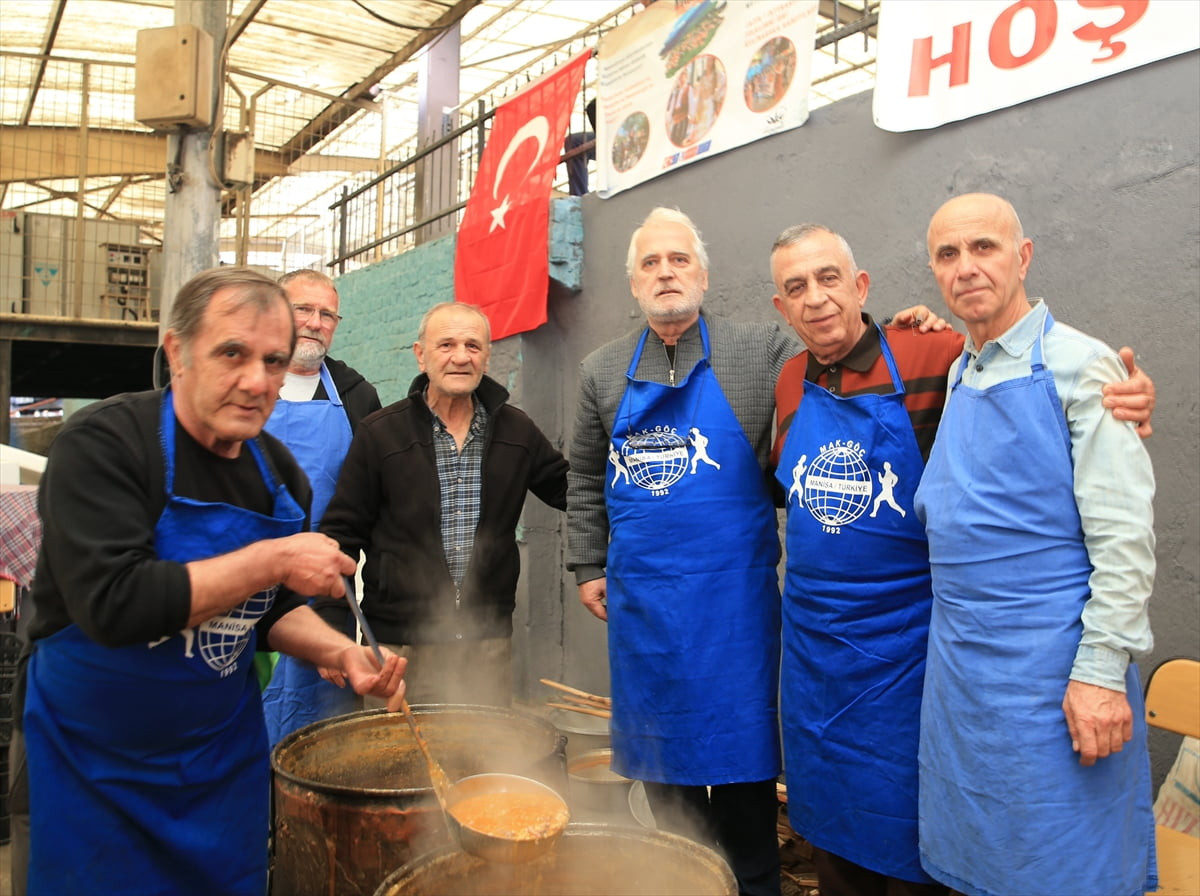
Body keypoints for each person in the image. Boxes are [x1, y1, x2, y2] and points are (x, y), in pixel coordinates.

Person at [768, 222, 1157, 896]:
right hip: (823, 660)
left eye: (830, 279)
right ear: (780, 307)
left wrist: (1124, 395)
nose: (816, 299)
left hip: (906, 658)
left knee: (936, 851)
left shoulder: (935, 353)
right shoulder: (796, 381)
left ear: (860, 286)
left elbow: (1113, 514)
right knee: (843, 844)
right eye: (795, 287)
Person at [566, 207, 943, 896]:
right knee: (664, 783)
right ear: (632, 283)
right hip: (643, 606)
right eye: (651, 263)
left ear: (703, 275)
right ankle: (677, 881)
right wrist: (587, 564)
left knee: (742, 780)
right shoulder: (598, 371)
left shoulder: (761, 351)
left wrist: (908, 324)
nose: (666, 273)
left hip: (736, 603)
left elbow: (836, 342)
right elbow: (584, 475)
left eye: (679, 259)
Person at [15, 267, 406, 896]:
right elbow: (115, 604)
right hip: (98, 760)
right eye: (232, 353)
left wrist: (343, 652)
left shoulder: (279, 475)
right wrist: (274, 559)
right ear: (176, 350)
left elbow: (269, 610)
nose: (257, 381)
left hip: (217, 761)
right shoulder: (106, 444)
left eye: (274, 361)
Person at [914, 193, 1157, 896]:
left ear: (1023, 257)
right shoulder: (962, 368)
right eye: (948, 255)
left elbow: (1123, 538)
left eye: (984, 248)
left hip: (1055, 677)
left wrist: (1101, 674)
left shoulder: (1085, 366)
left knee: (1066, 867)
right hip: (964, 680)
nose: (966, 268)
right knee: (981, 863)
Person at [316, 301, 568, 706]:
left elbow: (572, 491)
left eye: (472, 345)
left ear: (487, 356)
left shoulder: (517, 431)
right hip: (397, 647)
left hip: (485, 644)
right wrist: (330, 626)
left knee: (483, 762)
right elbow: (341, 535)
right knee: (393, 762)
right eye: (446, 344)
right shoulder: (381, 434)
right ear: (421, 355)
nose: (460, 357)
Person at [261, 268, 382, 747]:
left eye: (326, 313)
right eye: (302, 309)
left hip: (326, 586)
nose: (315, 322)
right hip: (241, 577)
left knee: (323, 731)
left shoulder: (356, 396)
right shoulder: (249, 385)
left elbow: (375, 496)